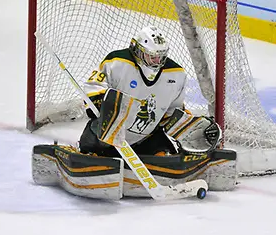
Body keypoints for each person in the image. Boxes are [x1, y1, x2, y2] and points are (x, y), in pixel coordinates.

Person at [79, 25, 221, 157]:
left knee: (166, 156)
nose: (157, 61)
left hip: (145, 138)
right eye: (152, 56)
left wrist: (193, 128)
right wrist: (99, 105)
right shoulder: (117, 61)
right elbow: (94, 86)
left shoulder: (176, 74)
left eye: (161, 56)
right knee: (92, 147)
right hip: (107, 134)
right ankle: (93, 155)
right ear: (138, 50)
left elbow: (172, 112)